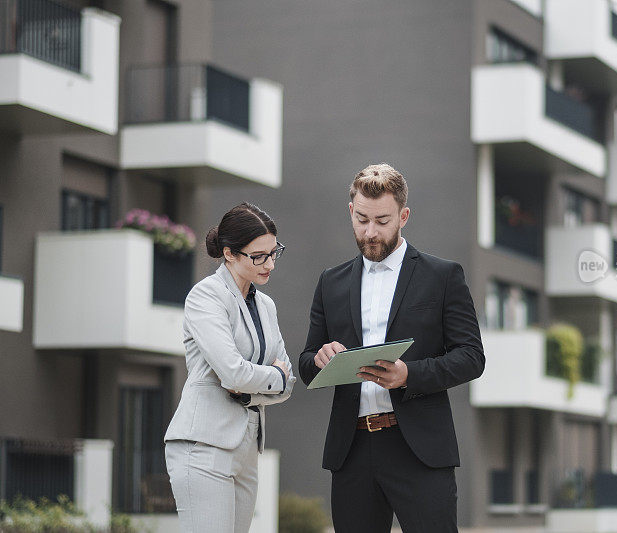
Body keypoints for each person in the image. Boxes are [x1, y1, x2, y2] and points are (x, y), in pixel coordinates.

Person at [298, 163, 485, 532]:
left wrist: (408, 375)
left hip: (418, 449)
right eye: (362, 219)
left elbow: (471, 357)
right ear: (351, 211)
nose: (370, 232)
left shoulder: (443, 276)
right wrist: (320, 360)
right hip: (351, 451)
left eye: (382, 221)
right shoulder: (330, 282)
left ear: (403, 216)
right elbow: (306, 363)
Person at [164, 202, 296, 533]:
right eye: (258, 256)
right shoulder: (205, 297)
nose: (270, 264)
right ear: (229, 254)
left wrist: (264, 383)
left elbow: (288, 381)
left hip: (248, 448)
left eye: (273, 252)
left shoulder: (266, 306)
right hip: (204, 447)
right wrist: (271, 376)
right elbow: (233, 372)